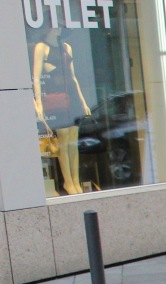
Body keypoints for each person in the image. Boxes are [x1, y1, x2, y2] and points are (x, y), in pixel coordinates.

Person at [32, 26, 91, 195]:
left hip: (71, 97)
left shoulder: (66, 47)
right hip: (55, 98)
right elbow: (36, 78)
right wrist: (38, 102)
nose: (59, 28)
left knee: (73, 141)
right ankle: (68, 182)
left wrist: (83, 101)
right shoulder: (41, 48)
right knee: (64, 140)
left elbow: (73, 77)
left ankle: (76, 180)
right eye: (55, 24)